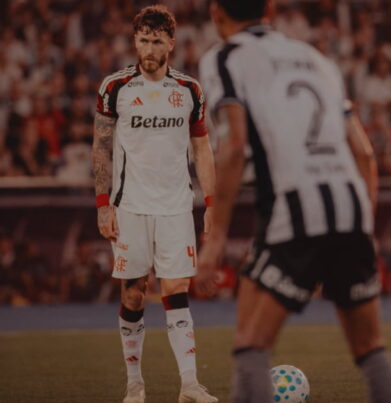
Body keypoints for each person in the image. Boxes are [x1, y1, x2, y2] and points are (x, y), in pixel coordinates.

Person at [195, 1, 391, 402]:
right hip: (350, 208)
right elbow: (363, 153)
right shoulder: (316, 58)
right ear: (269, 9)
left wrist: (217, 236)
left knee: (251, 344)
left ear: (215, 13)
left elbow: (234, 145)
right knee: (370, 348)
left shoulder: (225, 58)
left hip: (293, 213)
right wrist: (364, 224)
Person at [92, 5, 218, 403]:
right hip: (130, 206)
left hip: (177, 206)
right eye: (142, 40)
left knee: (177, 288)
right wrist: (101, 204)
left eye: (156, 41)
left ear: (170, 43)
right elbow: (101, 147)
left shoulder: (189, 91)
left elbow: (202, 147)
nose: (148, 48)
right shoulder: (115, 88)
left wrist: (210, 202)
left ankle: (189, 385)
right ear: (135, 41)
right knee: (133, 293)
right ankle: (135, 383)